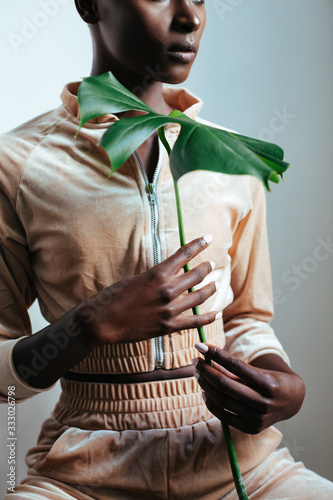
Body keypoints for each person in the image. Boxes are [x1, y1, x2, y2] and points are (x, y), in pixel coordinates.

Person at [1, 0, 332, 498]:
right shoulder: (18, 165)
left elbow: (245, 316)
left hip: (241, 463)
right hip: (84, 472)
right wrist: (87, 325)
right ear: (89, 4)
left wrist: (281, 382)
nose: (190, 17)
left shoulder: (229, 156)